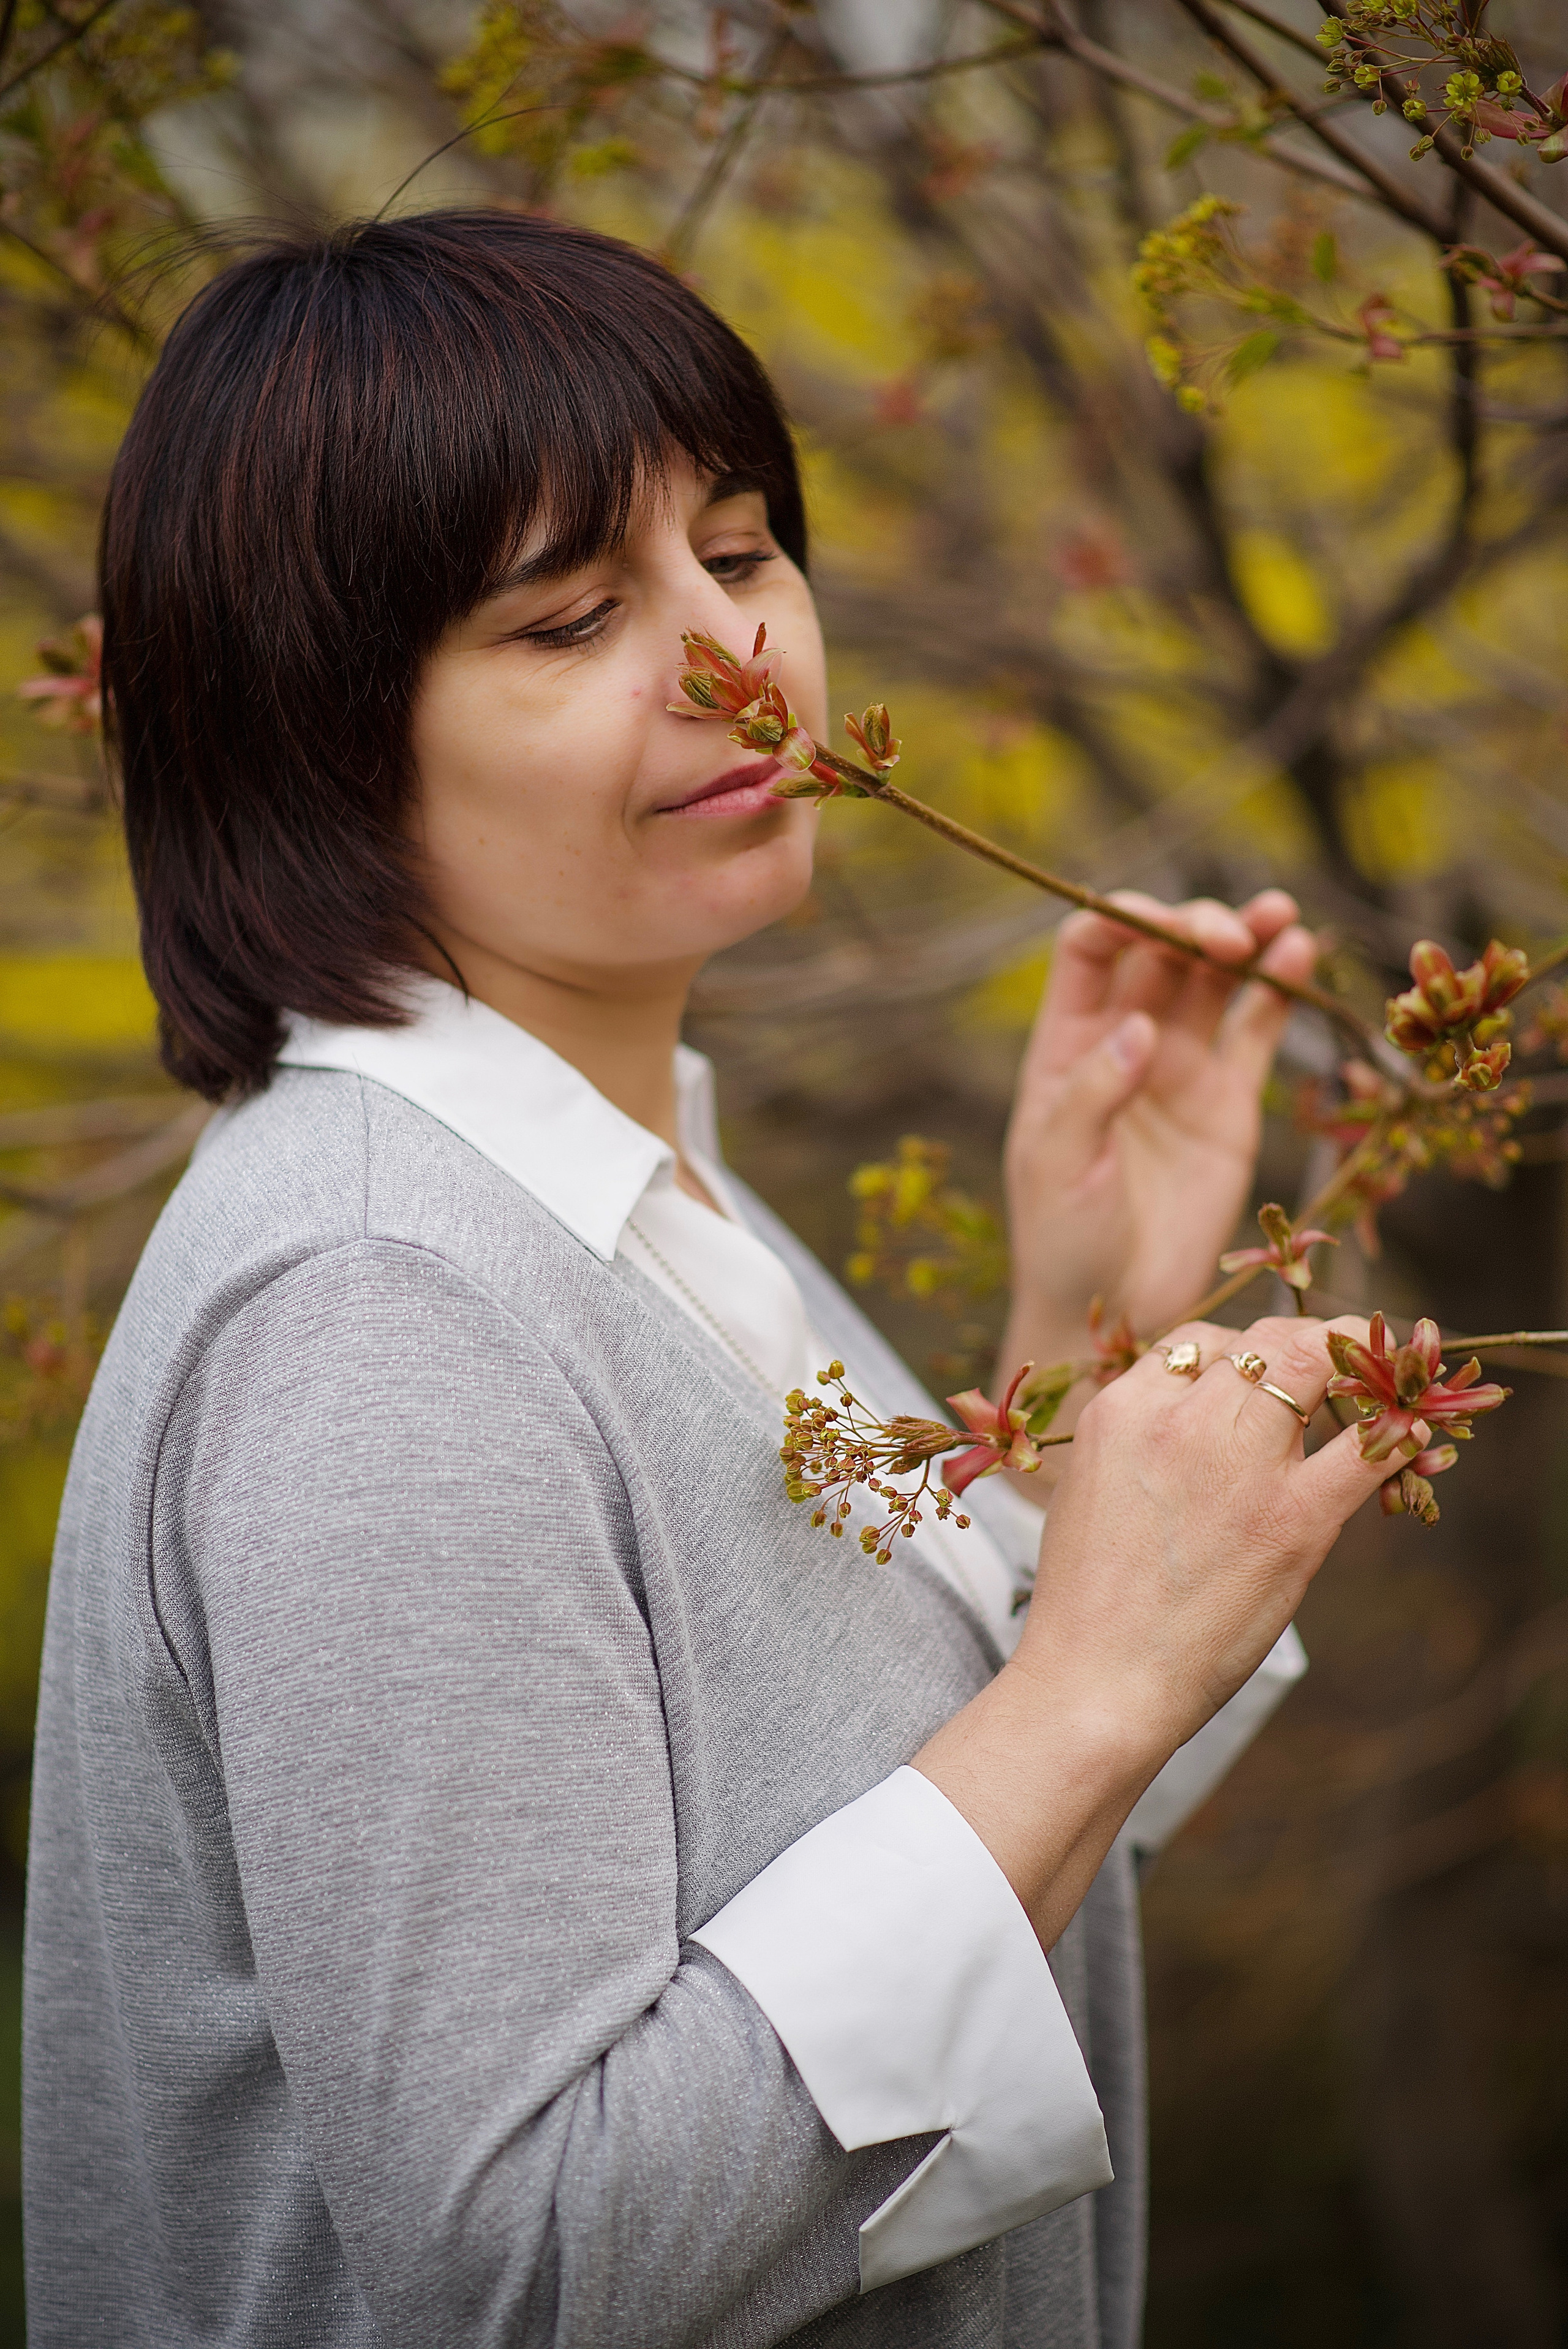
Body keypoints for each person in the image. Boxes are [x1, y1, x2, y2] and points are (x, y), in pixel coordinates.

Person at [23, 211, 1389, 2349]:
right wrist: (1090, 1684)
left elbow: (916, 1875)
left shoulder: (617, 1203)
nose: (737, 659)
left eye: (741, 555)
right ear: (317, 737)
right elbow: (533, 2262)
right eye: (570, 616)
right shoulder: (380, 1312)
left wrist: (1076, 1352)